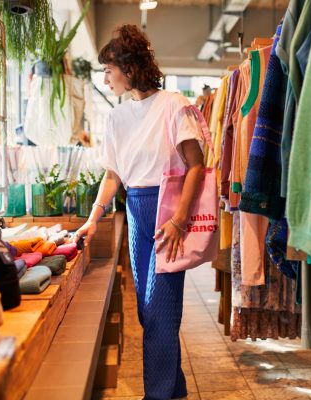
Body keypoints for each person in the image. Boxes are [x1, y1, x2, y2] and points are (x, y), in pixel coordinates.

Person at [74, 24, 206, 400]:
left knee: (161, 314)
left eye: (108, 69)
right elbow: (113, 175)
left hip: (168, 213)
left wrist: (180, 220)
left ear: (129, 68)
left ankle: (158, 395)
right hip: (136, 212)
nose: (105, 77)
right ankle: (174, 390)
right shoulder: (117, 118)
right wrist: (91, 220)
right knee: (148, 313)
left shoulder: (174, 104)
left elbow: (196, 165)